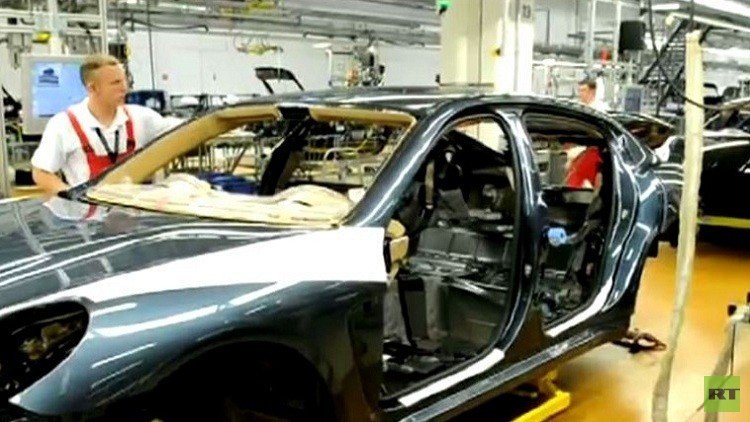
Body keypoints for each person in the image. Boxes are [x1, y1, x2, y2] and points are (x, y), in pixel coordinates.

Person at [31, 54, 178, 196]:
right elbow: (41, 172)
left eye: (124, 80)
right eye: (116, 83)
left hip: (134, 209)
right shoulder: (63, 124)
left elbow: (183, 131)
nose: (124, 88)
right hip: (88, 211)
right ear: (92, 88)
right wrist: (70, 195)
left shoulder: (142, 118)